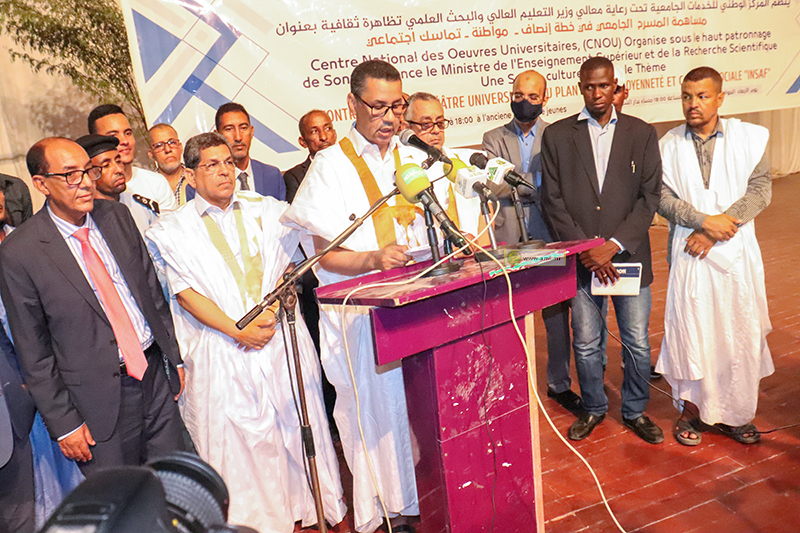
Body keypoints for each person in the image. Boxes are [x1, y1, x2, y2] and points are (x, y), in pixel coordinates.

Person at [146, 133, 346, 532]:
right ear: (190, 175)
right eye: (212, 165)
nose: (224, 171)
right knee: (239, 446)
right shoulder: (171, 229)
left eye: (228, 163)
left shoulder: (268, 210)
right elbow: (186, 294)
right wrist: (239, 331)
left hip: (277, 337)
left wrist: (271, 310)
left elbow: (288, 266)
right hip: (221, 347)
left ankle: (305, 510)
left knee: (293, 429)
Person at [282, 59, 422, 533]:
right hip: (358, 316)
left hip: (416, 306)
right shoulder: (330, 166)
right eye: (378, 106)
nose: (390, 117)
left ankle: (421, 496)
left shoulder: (412, 158)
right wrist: (373, 260)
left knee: (413, 409)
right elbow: (324, 256)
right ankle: (386, 509)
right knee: (373, 417)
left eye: (397, 106)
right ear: (352, 104)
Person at [0, 138, 187, 476]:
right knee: (121, 498)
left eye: (88, 170)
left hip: (154, 377)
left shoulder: (117, 216)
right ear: (41, 184)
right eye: (71, 174)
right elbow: (33, 350)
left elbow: (150, 293)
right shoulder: (20, 253)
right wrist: (65, 423)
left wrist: (173, 358)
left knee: (178, 484)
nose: (86, 182)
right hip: (95, 402)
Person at [541, 57, 664, 444]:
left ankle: (635, 410)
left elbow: (649, 198)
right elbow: (552, 200)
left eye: (604, 86)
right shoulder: (558, 135)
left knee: (636, 341)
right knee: (586, 341)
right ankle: (594, 407)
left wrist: (611, 246)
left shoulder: (641, 133)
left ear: (616, 87)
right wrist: (588, 249)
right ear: (579, 87)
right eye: (589, 86)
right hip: (583, 262)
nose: (597, 93)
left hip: (628, 257)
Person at [656, 66, 773, 446]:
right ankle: (692, 411)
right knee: (692, 331)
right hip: (690, 255)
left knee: (738, 332)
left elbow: (760, 190)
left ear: (720, 98)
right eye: (687, 96)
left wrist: (719, 227)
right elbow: (662, 198)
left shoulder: (748, 138)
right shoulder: (668, 145)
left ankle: (737, 414)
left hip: (736, 254)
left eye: (702, 96)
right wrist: (703, 223)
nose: (693, 104)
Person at [482, 71, 580, 414]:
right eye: (518, 95)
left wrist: (516, 182)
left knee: (555, 314)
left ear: (545, 99)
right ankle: (509, 386)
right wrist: (539, 182)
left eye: (533, 96)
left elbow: (561, 185)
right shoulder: (492, 137)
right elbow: (493, 186)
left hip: (548, 237)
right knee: (509, 312)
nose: (525, 102)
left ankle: (559, 384)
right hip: (507, 240)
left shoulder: (558, 135)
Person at [404, 92, 483, 240]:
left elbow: (485, 210)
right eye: (426, 124)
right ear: (407, 127)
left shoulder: (461, 161)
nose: (436, 130)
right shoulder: (404, 169)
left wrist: (482, 248)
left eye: (440, 123)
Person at [88, 104, 178, 212]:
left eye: (128, 133)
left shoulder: (156, 183)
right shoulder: (88, 194)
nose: (125, 141)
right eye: (113, 137)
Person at [76, 134, 159, 235]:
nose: (119, 170)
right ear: (89, 173)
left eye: (119, 161)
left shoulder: (141, 207)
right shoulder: (83, 217)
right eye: (106, 165)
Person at [216, 103, 286, 201]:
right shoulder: (207, 179)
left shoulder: (272, 176)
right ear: (217, 136)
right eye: (229, 129)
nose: (238, 137)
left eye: (243, 128)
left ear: (251, 132)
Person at [284, 110, 338, 203]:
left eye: (327, 128)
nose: (323, 137)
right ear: (303, 142)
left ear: (335, 134)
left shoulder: (352, 165)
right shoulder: (295, 177)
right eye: (314, 131)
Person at [147, 124, 191, 206]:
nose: (167, 149)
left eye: (172, 142)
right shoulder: (147, 186)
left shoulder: (196, 178)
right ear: (151, 154)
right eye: (159, 146)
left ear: (180, 147)